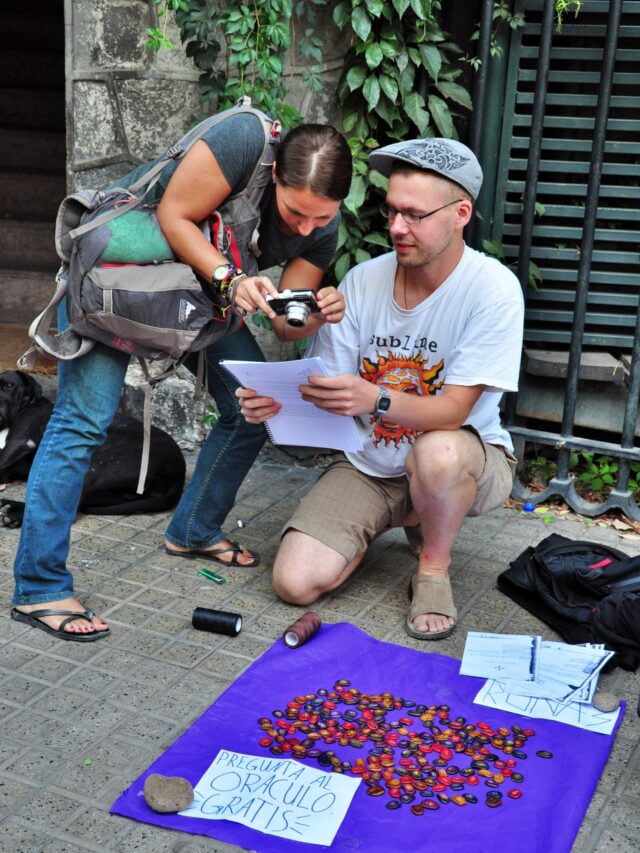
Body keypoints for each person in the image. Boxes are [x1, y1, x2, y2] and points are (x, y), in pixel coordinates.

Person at [11, 109, 352, 641]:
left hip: (196, 301)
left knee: (250, 410)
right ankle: (39, 588)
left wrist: (315, 310)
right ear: (275, 176)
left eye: (321, 218)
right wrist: (230, 276)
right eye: (295, 212)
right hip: (118, 280)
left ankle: (193, 530)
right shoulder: (244, 141)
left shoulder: (323, 229)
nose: (306, 228)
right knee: (83, 422)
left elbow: (288, 326)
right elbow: (174, 216)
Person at [238, 137, 524, 640]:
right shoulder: (364, 281)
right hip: (369, 462)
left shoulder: (493, 290)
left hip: (466, 456)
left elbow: (455, 410)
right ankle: (405, 510)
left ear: (461, 213)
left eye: (413, 215)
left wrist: (376, 398)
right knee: (293, 583)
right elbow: (329, 390)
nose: (396, 228)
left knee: (436, 455)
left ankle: (432, 567)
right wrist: (274, 403)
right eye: (392, 211)